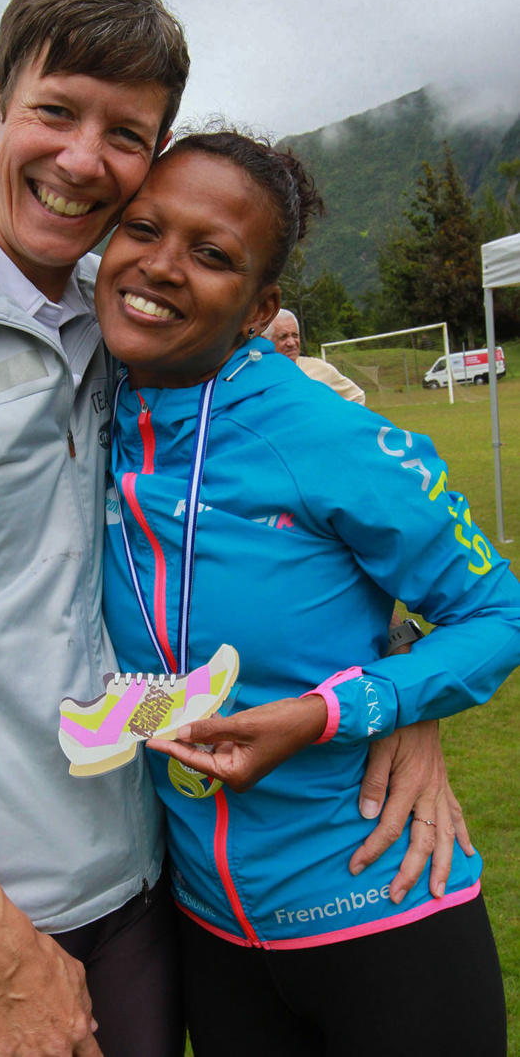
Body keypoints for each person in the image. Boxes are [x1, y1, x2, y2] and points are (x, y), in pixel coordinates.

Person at [0, 0, 468, 1056]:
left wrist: (404, 690)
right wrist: (3, 956)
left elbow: (313, 506)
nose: (83, 159)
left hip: (154, 877)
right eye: (55, 111)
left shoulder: (124, 315)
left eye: (124, 134)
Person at [95, 129, 517, 1055]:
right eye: (143, 228)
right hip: (210, 935)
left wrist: (346, 710)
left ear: (260, 308)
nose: (161, 265)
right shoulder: (89, 420)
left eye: (213, 255)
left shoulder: (326, 435)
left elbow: (496, 613)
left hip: (383, 903)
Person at [264, 307, 366, 403]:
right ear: (266, 341)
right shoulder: (260, 374)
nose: (291, 343)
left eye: (295, 335)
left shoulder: (321, 369)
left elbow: (357, 396)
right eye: (283, 337)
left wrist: (332, 416)